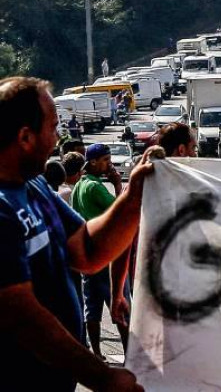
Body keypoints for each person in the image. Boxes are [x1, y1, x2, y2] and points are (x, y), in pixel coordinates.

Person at [0, 76, 148, 391]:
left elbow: (88, 251)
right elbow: (21, 315)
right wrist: (103, 377)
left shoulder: (34, 185)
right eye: (53, 128)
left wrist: (134, 195)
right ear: (25, 136)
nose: (58, 139)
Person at [72, 144, 130, 361]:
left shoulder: (80, 184)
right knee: (119, 306)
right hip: (106, 257)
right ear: (93, 161)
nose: (110, 164)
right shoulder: (95, 187)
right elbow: (120, 213)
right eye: (105, 160)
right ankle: (129, 355)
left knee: (92, 307)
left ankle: (96, 353)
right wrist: (117, 184)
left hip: (89, 257)